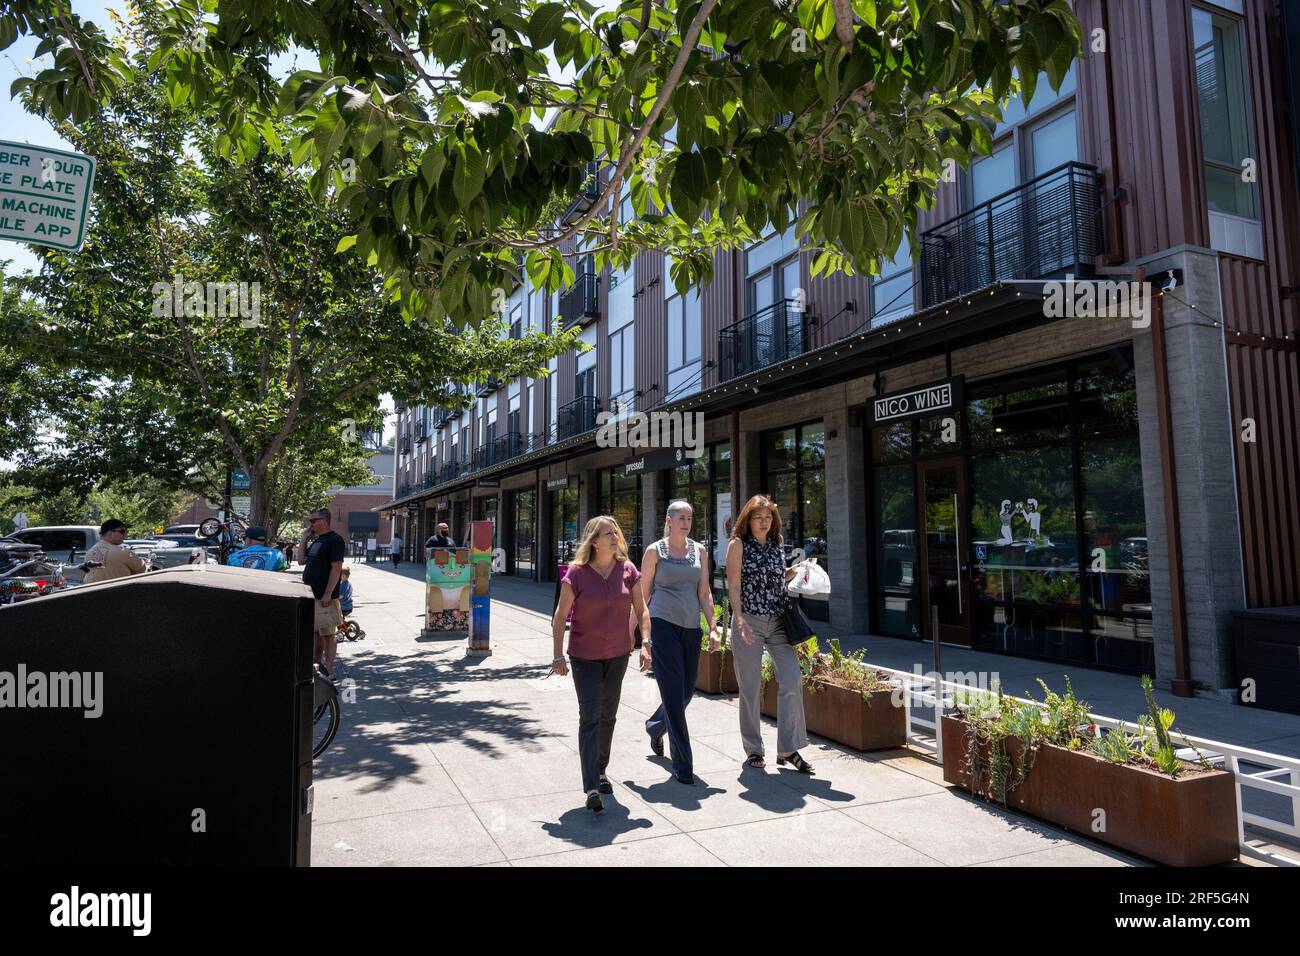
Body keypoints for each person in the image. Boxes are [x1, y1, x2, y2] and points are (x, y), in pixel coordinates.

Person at [550, 516, 651, 812]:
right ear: (594, 540)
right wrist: (557, 655)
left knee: (608, 715)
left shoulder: (628, 571)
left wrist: (645, 643)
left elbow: (642, 610)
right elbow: (560, 616)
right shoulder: (577, 573)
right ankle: (592, 784)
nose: (615, 537)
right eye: (609, 533)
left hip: (618, 653)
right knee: (591, 715)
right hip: (584, 656)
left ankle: (601, 769)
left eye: (617, 533)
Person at [725, 494, 814, 775]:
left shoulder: (777, 543)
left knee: (791, 679)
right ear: (747, 520)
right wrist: (738, 619)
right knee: (750, 688)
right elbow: (734, 586)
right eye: (758, 517)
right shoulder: (737, 545)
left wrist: (796, 571)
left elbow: (776, 576)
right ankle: (753, 750)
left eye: (768, 518)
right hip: (749, 621)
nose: (764, 522)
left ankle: (787, 748)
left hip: (777, 621)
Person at [641, 500, 716, 785]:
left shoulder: (699, 551)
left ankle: (655, 726)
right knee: (673, 693)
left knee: (684, 693)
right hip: (662, 624)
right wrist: (637, 634)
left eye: (690, 518)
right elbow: (642, 594)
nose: (686, 522)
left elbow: (704, 591)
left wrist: (712, 627)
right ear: (669, 521)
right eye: (681, 517)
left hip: (690, 627)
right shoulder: (654, 551)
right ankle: (683, 764)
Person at [297, 508, 346, 676]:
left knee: (328, 634)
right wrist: (304, 538)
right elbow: (300, 561)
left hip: (325, 596)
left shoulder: (335, 540)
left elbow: (336, 568)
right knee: (316, 633)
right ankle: (316, 666)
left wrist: (327, 593)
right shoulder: (316, 541)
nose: (310, 524)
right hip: (311, 594)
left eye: (313, 521)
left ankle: (329, 670)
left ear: (324, 521)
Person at [84, 519, 147, 584]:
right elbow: (142, 570)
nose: (125, 534)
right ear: (110, 533)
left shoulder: (90, 552)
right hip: (117, 591)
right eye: (122, 531)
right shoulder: (122, 552)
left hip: (92, 592)